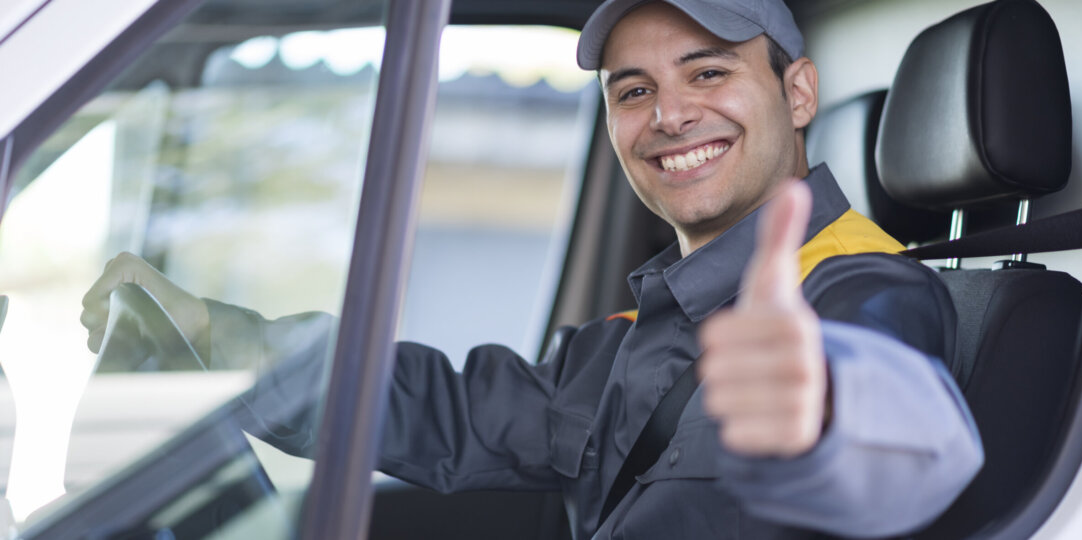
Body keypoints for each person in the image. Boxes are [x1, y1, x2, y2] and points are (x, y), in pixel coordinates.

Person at [81, 0, 983, 538]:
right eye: (634, 91)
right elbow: (453, 411)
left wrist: (825, 411)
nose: (668, 115)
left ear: (798, 93)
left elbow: (903, 431)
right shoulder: (651, 329)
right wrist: (218, 335)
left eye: (707, 74)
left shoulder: (862, 292)